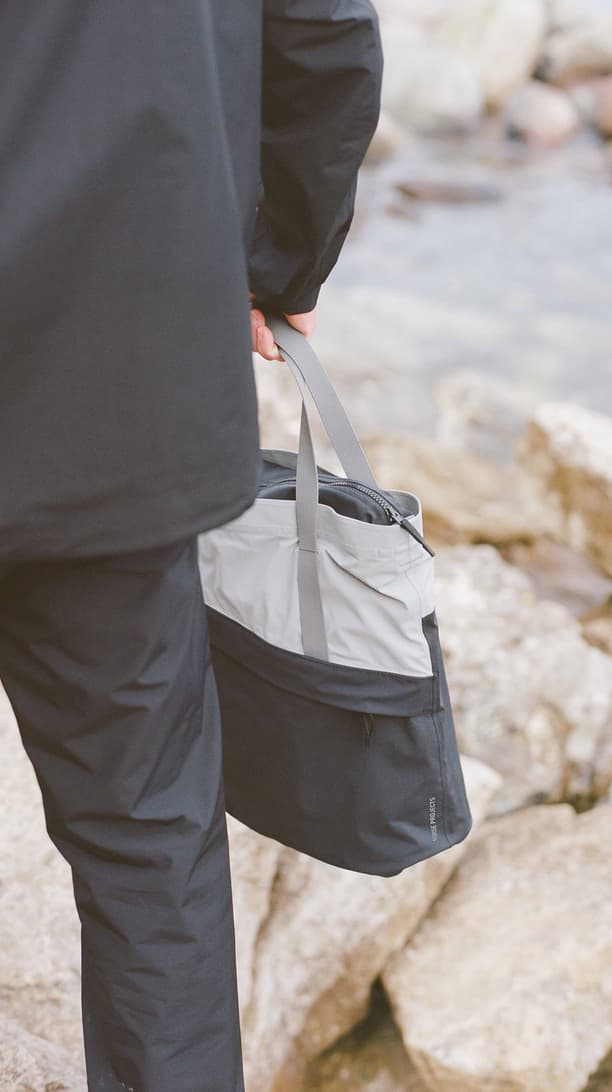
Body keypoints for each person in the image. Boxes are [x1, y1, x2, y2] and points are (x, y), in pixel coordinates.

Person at [0, 2, 383, 1089]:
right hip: (115, 388)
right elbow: (321, 32)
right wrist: (283, 262)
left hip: (116, 407)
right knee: (145, 847)